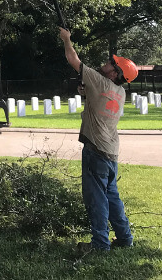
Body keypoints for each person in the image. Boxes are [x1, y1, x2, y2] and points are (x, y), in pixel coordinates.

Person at [59, 27, 138, 252]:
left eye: (111, 63)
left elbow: (73, 59)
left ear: (115, 73)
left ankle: (100, 245)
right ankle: (124, 238)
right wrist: (86, 93)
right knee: (112, 197)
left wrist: (66, 39)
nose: (106, 63)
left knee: (96, 199)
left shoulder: (100, 81)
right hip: (111, 152)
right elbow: (99, 100)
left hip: (95, 151)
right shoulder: (120, 93)